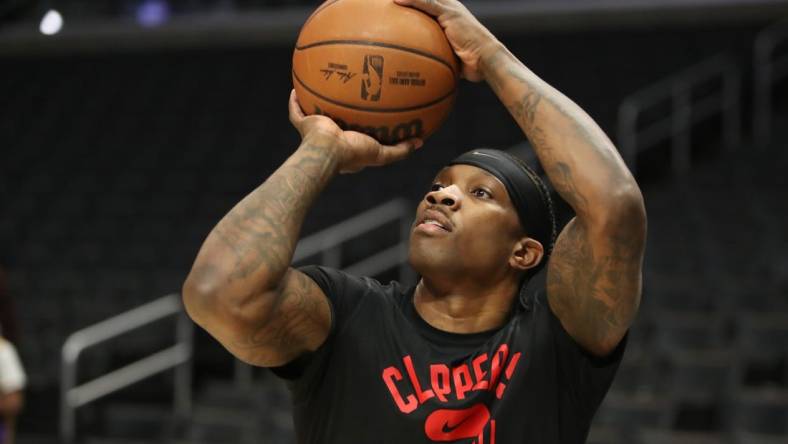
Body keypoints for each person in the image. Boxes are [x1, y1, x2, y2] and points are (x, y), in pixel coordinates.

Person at [183, 0, 646, 442]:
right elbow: (217, 294)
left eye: (479, 193)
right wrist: (320, 148)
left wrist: (490, 57)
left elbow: (615, 207)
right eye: (439, 184)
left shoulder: (554, 345)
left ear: (523, 252)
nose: (441, 195)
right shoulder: (349, 314)